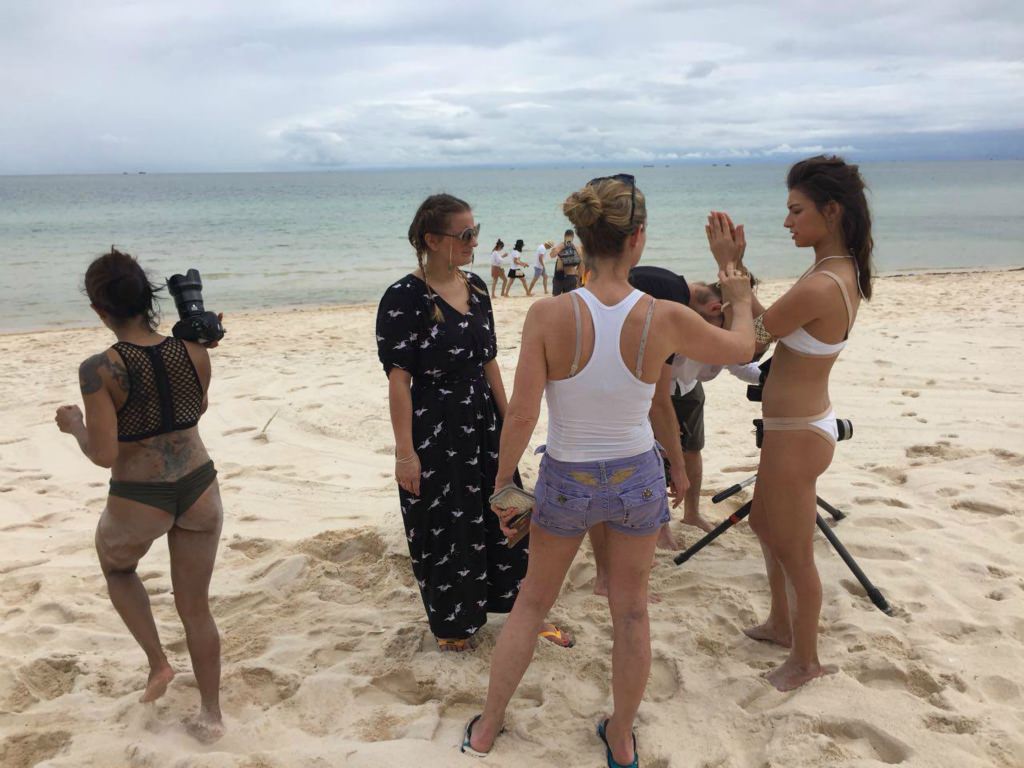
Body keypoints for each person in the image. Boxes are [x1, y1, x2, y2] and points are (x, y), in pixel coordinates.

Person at [462, 175, 754, 765]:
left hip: (566, 475)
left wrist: (502, 481)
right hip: (635, 476)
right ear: (636, 239)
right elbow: (744, 346)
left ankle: (488, 729)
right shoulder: (665, 316)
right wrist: (736, 282)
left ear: (583, 240)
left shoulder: (548, 313)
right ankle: (620, 736)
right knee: (631, 610)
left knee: (532, 604)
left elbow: (520, 413)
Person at [376, 194, 570, 654]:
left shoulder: (478, 287)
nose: (474, 241)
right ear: (431, 239)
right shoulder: (403, 297)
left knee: (509, 513)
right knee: (445, 525)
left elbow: (490, 364)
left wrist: (510, 428)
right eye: (465, 235)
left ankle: (525, 610)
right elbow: (398, 382)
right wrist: (405, 453)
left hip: (484, 421)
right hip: (435, 427)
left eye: (475, 231)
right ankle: (454, 624)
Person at [709, 155, 874, 692]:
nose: (787, 222)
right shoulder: (830, 270)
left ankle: (806, 660)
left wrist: (729, 277)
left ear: (831, 210)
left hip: (798, 432)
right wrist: (738, 276)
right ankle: (781, 625)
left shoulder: (824, 283)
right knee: (764, 527)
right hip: (796, 427)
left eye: (795, 211)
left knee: (797, 552)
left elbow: (750, 338)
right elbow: (766, 323)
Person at [54, 248, 224, 743]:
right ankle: (212, 714)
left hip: (140, 493)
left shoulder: (98, 370)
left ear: (98, 309)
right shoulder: (193, 349)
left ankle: (158, 665)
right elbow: (199, 406)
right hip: (198, 484)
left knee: (117, 568)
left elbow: (104, 454)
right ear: (148, 298)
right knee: (196, 607)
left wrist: (75, 426)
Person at [550, 228, 583, 295]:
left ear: (564, 236)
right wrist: (579, 280)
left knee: (556, 299)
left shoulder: (561, 245)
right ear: (573, 237)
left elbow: (552, 255)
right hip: (572, 277)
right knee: (570, 300)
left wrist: (553, 250)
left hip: (559, 277)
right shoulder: (576, 248)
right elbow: (582, 264)